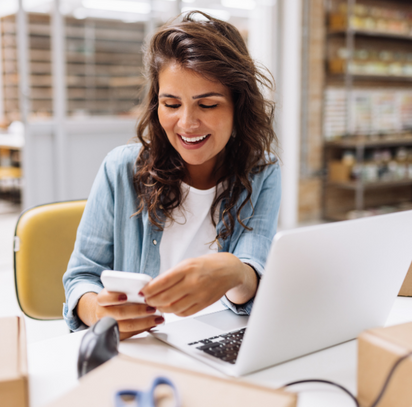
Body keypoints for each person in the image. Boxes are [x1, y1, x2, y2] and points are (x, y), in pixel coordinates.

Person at [62, 11, 281, 340]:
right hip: (139, 346)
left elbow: (252, 274)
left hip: (217, 342)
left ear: (239, 106)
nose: (187, 124)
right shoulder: (120, 169)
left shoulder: (262, 171)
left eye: (207, 105)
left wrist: (237, 272)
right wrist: (98, 312)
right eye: (172, 104)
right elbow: (81, 277)